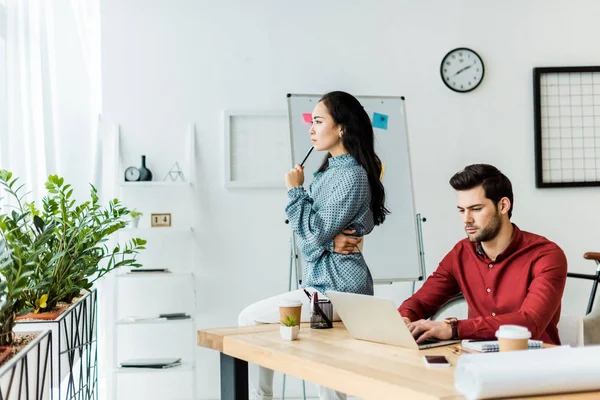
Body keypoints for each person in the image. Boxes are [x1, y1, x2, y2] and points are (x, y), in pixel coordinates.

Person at [238, 91, 389, 400]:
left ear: (342, 128)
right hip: (323, 286)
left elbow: (308, 239)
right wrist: (328, 241)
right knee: (326, 375)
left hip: (336, 291)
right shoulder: (327, 173)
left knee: (250, 319)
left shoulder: (352, 176)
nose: (311, 129)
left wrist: (296, 192)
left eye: (319, 121)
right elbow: (313, 238)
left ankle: (261, 397)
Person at [335, 163, 568, 345]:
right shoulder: (461, 253)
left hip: (535, 365)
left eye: (476, 209)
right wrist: (404, 319)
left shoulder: (546, 256)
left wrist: (454, 329)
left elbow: (529, 323)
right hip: (477, 362)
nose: (466, 219)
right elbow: (422, 301)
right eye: (461, 210)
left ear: (503, 206)